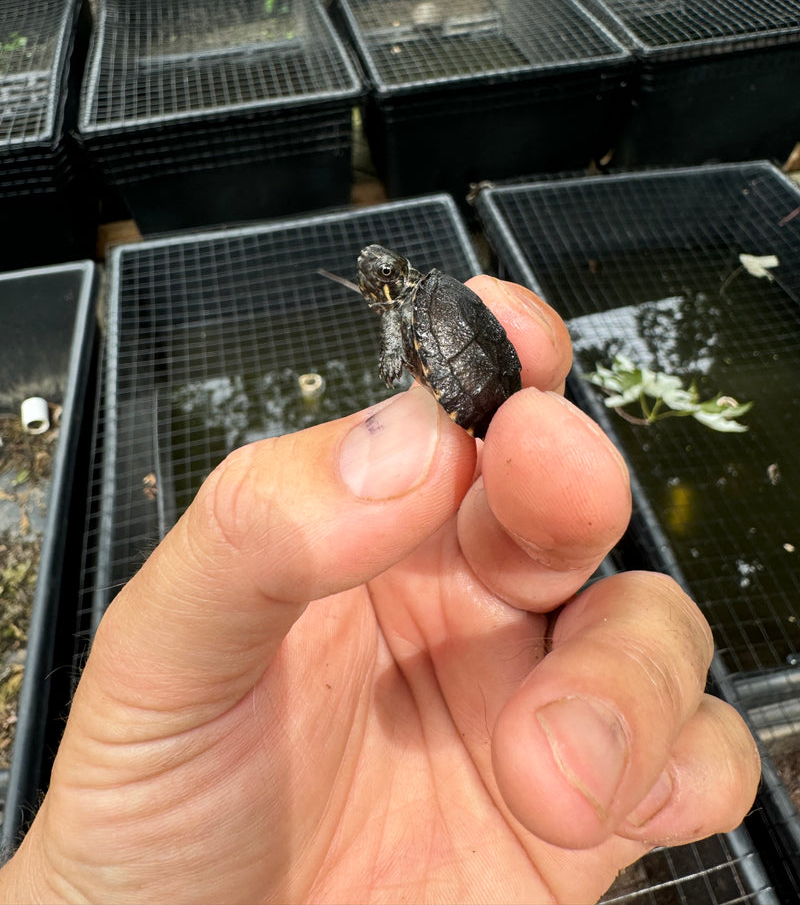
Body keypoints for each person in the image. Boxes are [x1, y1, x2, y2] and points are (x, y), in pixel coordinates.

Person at [0, 277, 759, 905]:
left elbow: (410, 360)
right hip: (476, 412)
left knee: (556, 479)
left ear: (384, 283)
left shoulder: (414, 306)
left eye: (374, 283)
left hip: (486, 419)